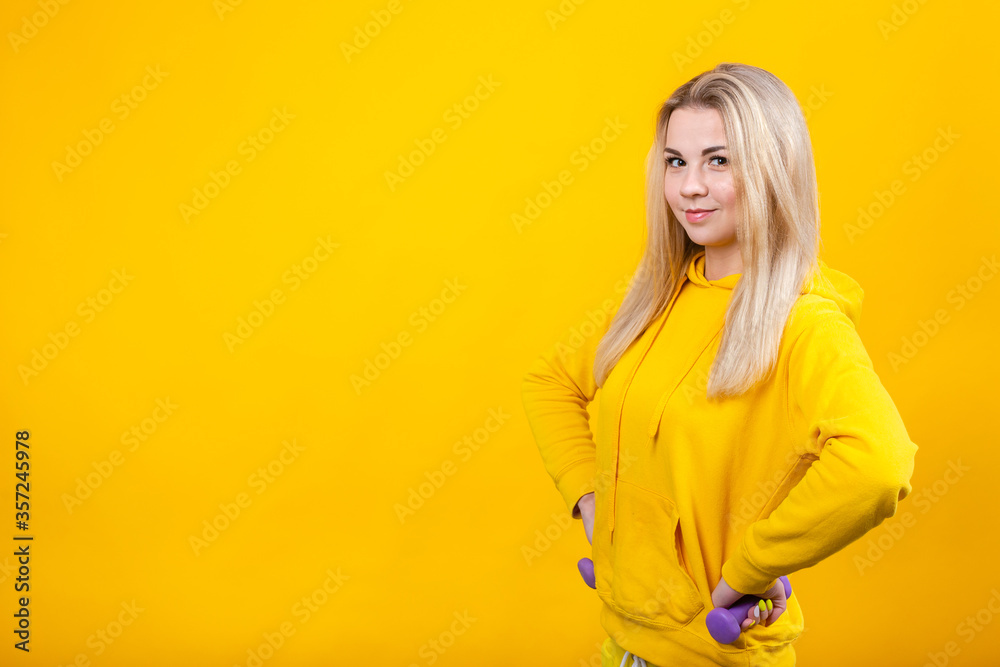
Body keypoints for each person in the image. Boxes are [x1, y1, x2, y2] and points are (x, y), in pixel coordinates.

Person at [521, 62, 919, 667]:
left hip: (715, 655)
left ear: (771, 169)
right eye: (675, 162)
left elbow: (879, 465)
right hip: (625, 646)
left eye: (718, 160)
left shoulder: (803, 323)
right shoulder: (657, 298)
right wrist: (595, 507)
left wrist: (750, 570)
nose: (689, 187)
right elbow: (548, 383)